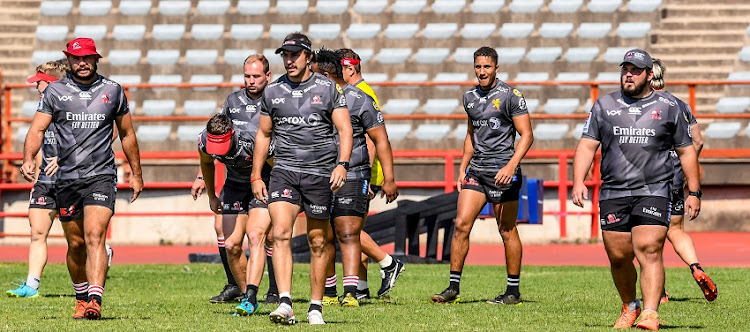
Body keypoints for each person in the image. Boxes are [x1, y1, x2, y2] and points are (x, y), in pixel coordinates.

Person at [572, 49, 701, 330]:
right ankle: (630, 306)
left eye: (635, 70)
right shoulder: (603, 105)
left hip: (654, 189)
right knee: (619, 257)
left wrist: (694, 191)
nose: (628, 74)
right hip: (614, 191)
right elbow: (586, 145)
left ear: (649, 75)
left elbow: (687, 151)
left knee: (649, 249)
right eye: (625, 69)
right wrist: (578, 180)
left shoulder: (669, 106)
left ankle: (651, 313)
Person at [20, 37, 143, 320]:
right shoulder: (55, 92)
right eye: (77, 58)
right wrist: (29, 158)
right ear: (69, 60)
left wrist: (136, 173)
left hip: (101, 175)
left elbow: (126, 133)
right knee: (76, 244)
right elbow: (37, 130)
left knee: (95, 236)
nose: (82, 62)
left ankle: (95, 300)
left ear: (97, 59)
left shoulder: (113, 90)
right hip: (66, 179)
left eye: (88, 57)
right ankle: (80, 295)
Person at [251, 33, 352, 325]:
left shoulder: (329, 88)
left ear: (309, 57)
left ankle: (316, 307)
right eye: (285, 55)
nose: (289, 60)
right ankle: (285, 303)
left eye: (295, 55)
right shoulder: (273, 91)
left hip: (320, 173)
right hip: (284, 171)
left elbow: (345, 131)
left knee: (318, 240)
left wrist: (342, 165)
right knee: (279, 233)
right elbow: (264, 134)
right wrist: (257, 175)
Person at [431, 46, 534, 305]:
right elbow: (470, 134)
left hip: (502, 173)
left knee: (507, 229)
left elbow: (527, 135)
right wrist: (462, 167)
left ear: (496, 68)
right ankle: (453, 287)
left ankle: (513, 292)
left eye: (486, 67)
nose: (481, 71)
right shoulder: (469, 97)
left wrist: (511, 166)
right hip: (477, 171)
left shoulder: (511, 95)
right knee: (461, 225)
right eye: (478, 67)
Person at [7, 60, 115, 299]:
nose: (36, 87)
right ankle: (31, 285)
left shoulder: (80, 103)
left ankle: (101, 254)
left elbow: (109, 130)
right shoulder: (44, 105)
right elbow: (40, 138)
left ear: (53, 82)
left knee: (80, 240)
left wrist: (67, 159)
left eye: (40, 82)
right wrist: (35, 169)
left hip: (75, 178)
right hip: (47, 179)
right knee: (37, 232)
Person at [310, 48, 400, 307]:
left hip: (354, 172)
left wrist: (388, 178)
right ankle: (328, 292)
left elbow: (380, 139)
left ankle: (350, 291)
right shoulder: (314, 99)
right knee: (323, 235)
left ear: (327, 75)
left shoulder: (360, 99)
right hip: (321, 174)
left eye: (316, 74)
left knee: (348, 232)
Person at [190, 54, 279, 305]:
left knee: (263, 236)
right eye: (247, 76)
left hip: (267, 177)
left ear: (267, 76)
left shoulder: (277, 100)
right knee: (228, 238)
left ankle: (274, 290)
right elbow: (215, 136)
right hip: (236, 180)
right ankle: (240, 289)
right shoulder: (232, 101)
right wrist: (202, 179)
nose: (251, 81)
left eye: (256, 76)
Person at [336, 48, 406, 300]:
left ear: (350, 69)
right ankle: (361, 288)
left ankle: (388, 262)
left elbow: (372, 140)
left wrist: (373, 176)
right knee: (352, 230)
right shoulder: (353, 93)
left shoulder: (361, 94)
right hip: (363, 173)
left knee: (349, 230)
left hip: (362, 173)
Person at [650, 59, 716, 303]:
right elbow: (697, 141)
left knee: (648, 236)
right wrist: (685, 166)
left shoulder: (639, 104)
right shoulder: (681, 105)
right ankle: (695, 266)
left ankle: (660, 293)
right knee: (675, 229)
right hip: (676, 176)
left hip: (648, 179)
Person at [197, 112, 274, 316]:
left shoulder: (251, 138)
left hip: (262, 183)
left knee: (256, 235)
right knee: (231, 245)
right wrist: (212, 196)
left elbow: (278, 167)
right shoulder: (204, 140)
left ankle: (250, 296)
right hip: (234, 186)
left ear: (231, 134)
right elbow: (206, 163)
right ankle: (247, 296)